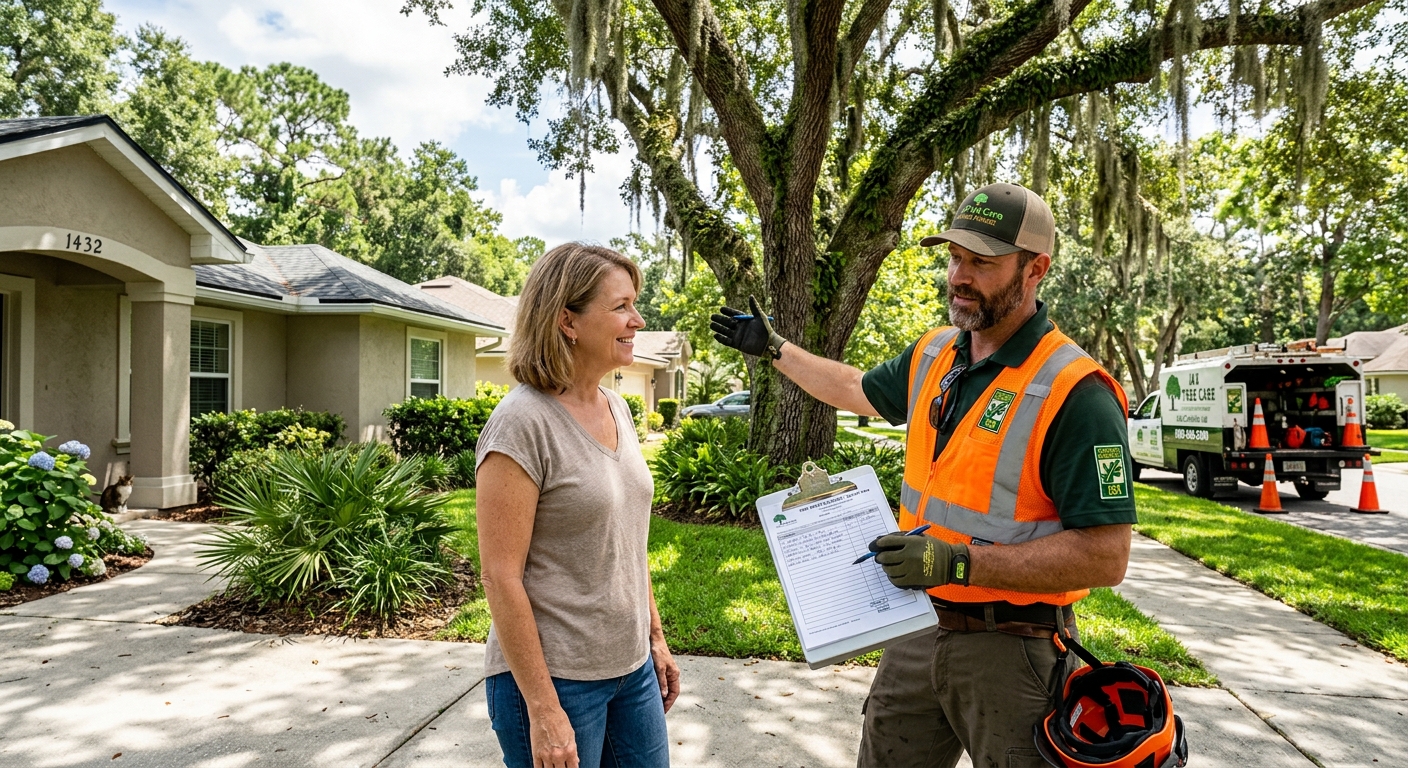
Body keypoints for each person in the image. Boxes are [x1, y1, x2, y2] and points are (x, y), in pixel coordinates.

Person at [711, 183, 1136, 767]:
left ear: (1035, 268)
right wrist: (775, 349)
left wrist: (959, 562)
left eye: (982, 262)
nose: (959, 275)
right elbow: (855, 389)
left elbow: (1105, 556)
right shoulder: (937, 352)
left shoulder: (1077, 392)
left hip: (1013, 649)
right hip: (916, 627)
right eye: (955, 257)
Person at [476, 242, 681, 768]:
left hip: (631, 671)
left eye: (634, 304)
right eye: (621, 307)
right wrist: (543, 709)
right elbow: (501, 576)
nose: (637, 320)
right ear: (568, 321)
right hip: (556, 681)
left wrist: (654, 638)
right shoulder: (522, 423)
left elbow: (628, 544)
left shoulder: (617, 406)